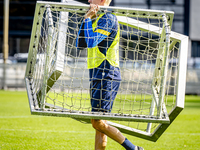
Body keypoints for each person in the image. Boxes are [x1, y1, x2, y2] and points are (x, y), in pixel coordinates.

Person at [76, 0, 144, 150]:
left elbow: (92, 41)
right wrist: (87, 19)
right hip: (96, 74)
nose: (88, 1)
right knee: (99, 123)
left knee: (97, 122)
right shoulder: (97, 18)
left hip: (107, 74)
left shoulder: (109, 18)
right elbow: (80, 43)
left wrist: (87, 19)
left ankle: (133, 148)